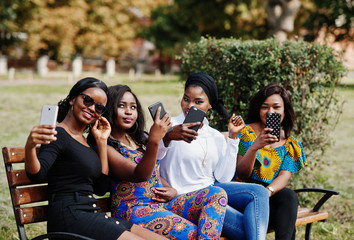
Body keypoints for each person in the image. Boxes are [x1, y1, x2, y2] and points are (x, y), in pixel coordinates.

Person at [24, 77, 166, 240]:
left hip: (90, 215)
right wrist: (30, 147)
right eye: (87, 100)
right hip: (70, 218)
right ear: (72, 99)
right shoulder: (58, 134)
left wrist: (102, 142)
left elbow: (100, 187)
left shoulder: (84, 140)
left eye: (99, 108)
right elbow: (37, 174)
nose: (91, 108)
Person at [105, 84, 228, 240]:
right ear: (109, 109)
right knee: (193, 234)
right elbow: (140, 174)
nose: (129, 111)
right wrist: (156, 140)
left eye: (133, 107)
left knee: (217, 193)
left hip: (162, 204)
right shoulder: (107, 146)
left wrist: (170, 189)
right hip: (134, 210)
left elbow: (154, 171)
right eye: (121, 106)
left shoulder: (139, 139)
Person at [159, 72, 270, 240]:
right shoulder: (169, 126)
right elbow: (154, 160)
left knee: (259, 192)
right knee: (250, 228)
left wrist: (233, 138)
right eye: (186, 99)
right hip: (185, 198)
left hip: (212, 190)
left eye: (198, 102)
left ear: (210, 104)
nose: (189, 106)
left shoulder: (215, 136)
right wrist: (168, 135)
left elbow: (223, 177)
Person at [236, 83, 307, 240]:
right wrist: (255, 147)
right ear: (258, 109)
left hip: (268, 195)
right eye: (265, 107)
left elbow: (285, 175)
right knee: (287, 211)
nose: (270, 112)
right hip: (244, 192)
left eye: (276, 107)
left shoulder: (289, 143)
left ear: (284, 111)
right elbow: (241, 172)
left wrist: (267, 192)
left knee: (289, 197)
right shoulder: (246, 133)